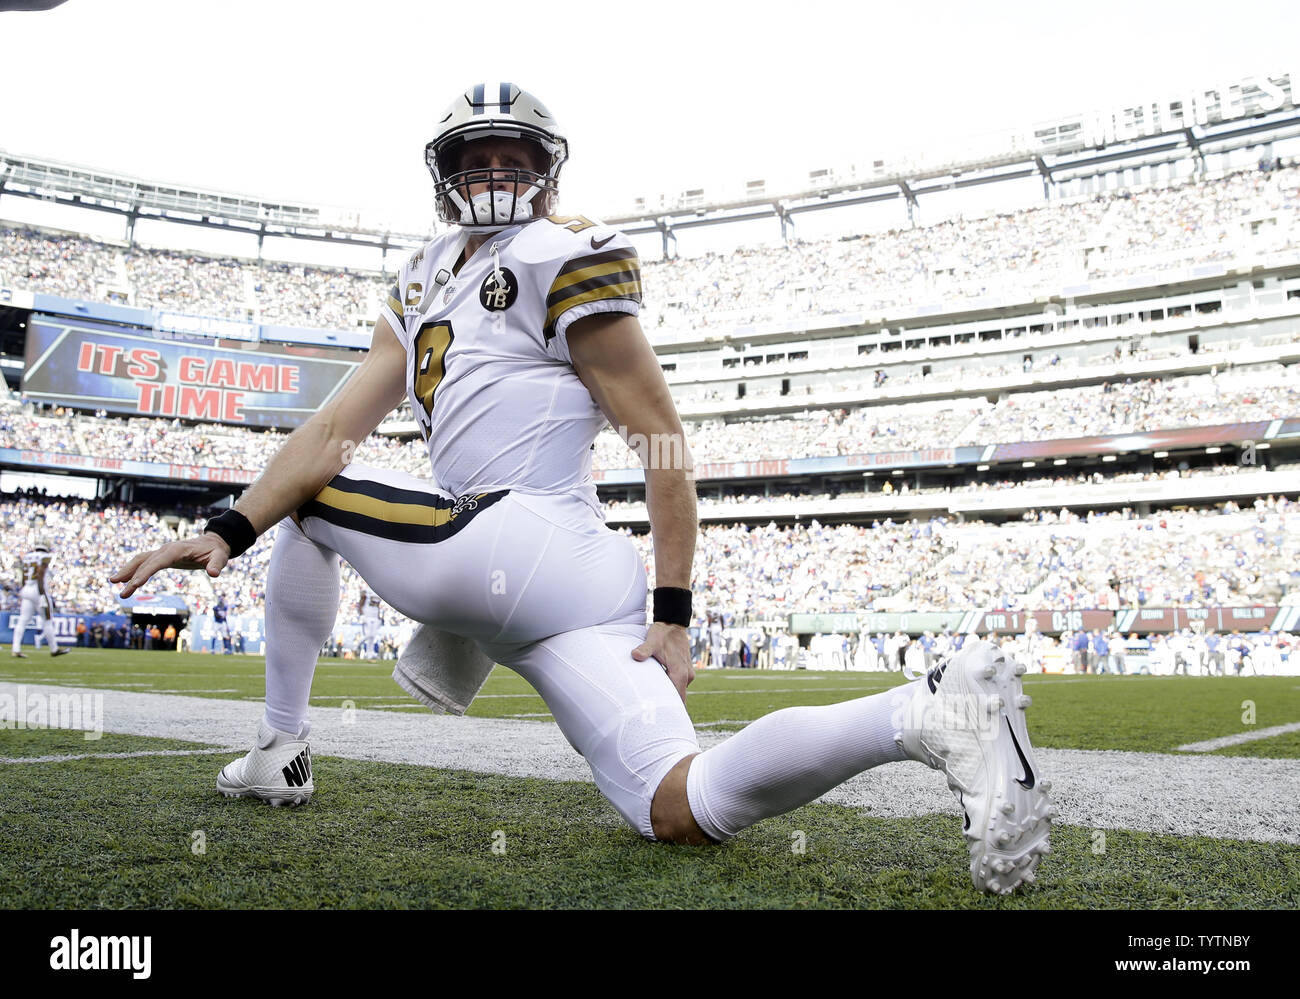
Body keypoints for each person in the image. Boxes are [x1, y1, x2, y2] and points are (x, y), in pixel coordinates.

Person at [111, 82, 1054, 894]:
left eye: (511, 152)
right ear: (443, 172)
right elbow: (333, 418)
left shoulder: (560, 252)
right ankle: (927, 712)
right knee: (680, 802)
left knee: (310, 495)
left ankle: (280, 748)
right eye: (472, 154)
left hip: (521, 540)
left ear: (547, 169)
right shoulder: (421, 276)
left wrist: (229, 525)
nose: (491, 169)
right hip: (557, 579)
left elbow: (663, 440)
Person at [11, 539, 69, 659]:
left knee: (22, 620)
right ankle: (54, 649)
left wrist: (24, 588)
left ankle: (15, 649)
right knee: (47, 620)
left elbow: (23, 575)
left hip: (26, 589)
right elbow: (40, 574)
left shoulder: (27, 557)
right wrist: (42, 593)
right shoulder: (46, 556)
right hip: (38, 590)